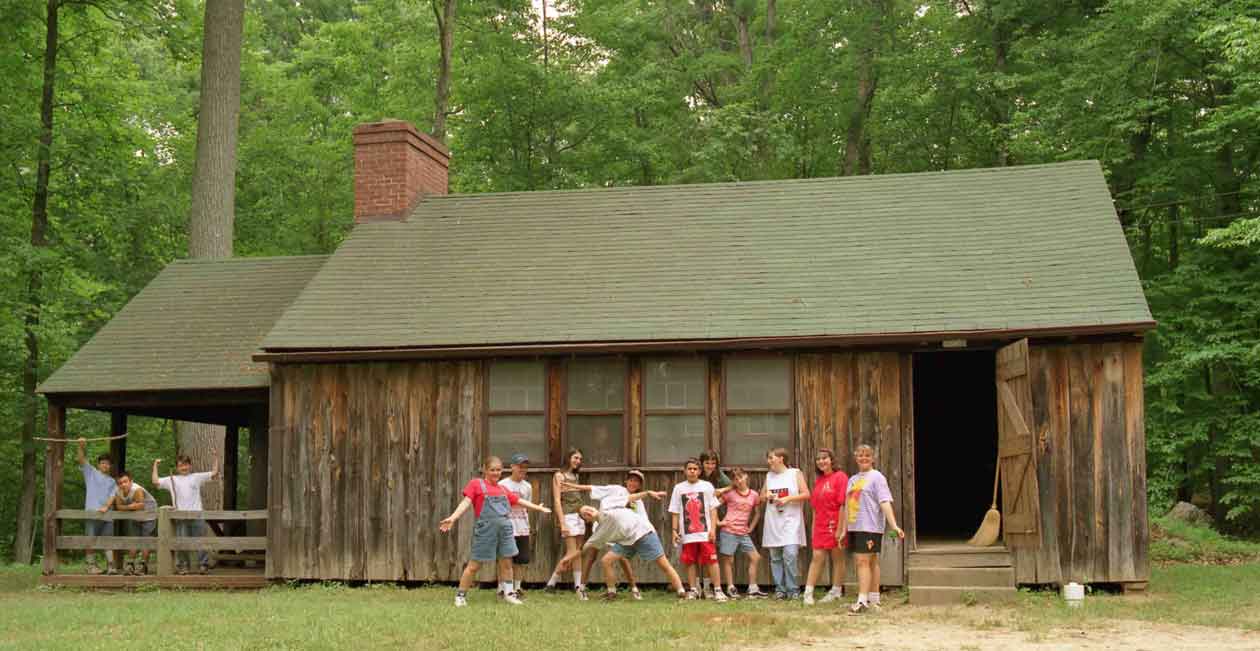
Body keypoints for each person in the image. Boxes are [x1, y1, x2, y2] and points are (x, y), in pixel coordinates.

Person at [439, 456, 552, 607]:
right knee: (474, 565)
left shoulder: (502, 489)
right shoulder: (476, 484)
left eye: (498, 470)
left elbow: (518, 501)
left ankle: (509, 594)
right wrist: (453, 518)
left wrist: (537, 508)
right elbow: (466, 503)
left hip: (505, 529)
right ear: (485, 470)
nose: (496, 473)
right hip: (486, 530)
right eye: (492, 470)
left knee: (506, 563)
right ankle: (460, 596)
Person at [562, 469, 664, 601]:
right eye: (631, 480)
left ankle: (634, 589)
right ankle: (581, 588)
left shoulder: (638, 501)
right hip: (602, 528)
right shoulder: (616, 490)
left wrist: (651, 533)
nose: (633, 483)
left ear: (640, 485)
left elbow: (643, 520)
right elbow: (592, 488)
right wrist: (572, 487)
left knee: (623, 559)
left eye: (637, 482)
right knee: (590, 556)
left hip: (620, 533)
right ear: (626, 481)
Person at [839, 444, 904, 615]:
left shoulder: (877, 477)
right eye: (860, 455)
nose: (863, 458)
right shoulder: (852, 480)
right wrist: (844, 530)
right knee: (871, 561)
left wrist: (894, 525)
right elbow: (847, 506)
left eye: (867, 455)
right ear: (856, 458)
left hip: (870, 526)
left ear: (873, 458)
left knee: (862, 562)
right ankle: (874, 600)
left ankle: (862, 601)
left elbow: (884, 501)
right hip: (855, 526)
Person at [578, 505, 689, 601]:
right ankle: (612, 593)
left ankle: (681, 592)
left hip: (643, 533)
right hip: (627, 540)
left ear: (593, 507)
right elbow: (586, 546)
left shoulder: (606, 512)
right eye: (585, 514)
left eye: (588, 509)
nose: (588, 512)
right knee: (606, 560)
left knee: (663, 564)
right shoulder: (598, 529)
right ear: (587, 520)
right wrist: (568, 558)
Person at [668, 458, 727, 602]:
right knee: (690, 561)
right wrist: (674, 530)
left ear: (699, 471)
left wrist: (713, 529)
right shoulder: (678, 488)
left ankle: (717, 590)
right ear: (685, 470)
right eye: (689, 468)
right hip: (687, 533)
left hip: (705, 532)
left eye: (695, 469)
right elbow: (675, 511)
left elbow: (713, 509)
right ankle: (693, 590)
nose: (692, 471)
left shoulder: (707, 486)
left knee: (711, 560)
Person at [152, 454, 218, 575]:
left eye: (186, 464)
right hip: (180, 516)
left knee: (200, 541)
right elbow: (155, 482)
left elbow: (214, 473)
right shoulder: (172, 479)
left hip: (196, 514)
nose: (184, 467)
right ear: (177, 467)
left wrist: (215, 458)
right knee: (181, 542)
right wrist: (155, 465)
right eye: (181, 465)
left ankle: (203, 565)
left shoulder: (196, 477)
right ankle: (183, 567)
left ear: (190, 465)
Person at [760, 447, 809, 600]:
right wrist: (766, 495)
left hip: (791, 520)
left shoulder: (795, 473)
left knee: (790, 554)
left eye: (771, 458)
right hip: (773, 521)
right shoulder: (769, 476)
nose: (769, 461)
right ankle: (780, 589)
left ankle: (793, 589)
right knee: (775, 557)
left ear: (781, 458)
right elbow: (761, 497)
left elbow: (806, 494)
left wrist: (787, 499)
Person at [803, 448, 849, 605]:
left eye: (825, 458)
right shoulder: (819, 480)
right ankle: (808, 593)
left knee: (837, 558)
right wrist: (813, 528)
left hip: (836, 522)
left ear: (831, 460)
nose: (821, 461)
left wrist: (841, 528)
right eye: (818, 459)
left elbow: (843, 504)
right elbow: (815, 507)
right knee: (817, 557)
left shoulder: (840, 477)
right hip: (820, 524)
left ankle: (836, 591)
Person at [544, 448, 590, 599]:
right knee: (572, 552)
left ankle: (578, 587)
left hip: (579, 515)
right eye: (575, 458)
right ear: (568, 458)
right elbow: (557, 500)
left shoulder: (575, 476)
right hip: (568, 515)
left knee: (578, 553)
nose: (578, 461)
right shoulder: (559, 475)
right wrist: (562, 522)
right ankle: (552, 582)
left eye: (580, 459)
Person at [716, 467, 765, 599]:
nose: (739, 480)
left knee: (755, 557)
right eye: (735, 479)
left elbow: (757, 513)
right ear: (733, 481)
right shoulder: (730, 493)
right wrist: (718, 522)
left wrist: (751, 527)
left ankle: (753, 588)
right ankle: (731, 587)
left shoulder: (754, 495)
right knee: (728, 560)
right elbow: (713, 505)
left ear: (746, 476)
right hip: (729, 531)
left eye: (740, 477)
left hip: (743, 532)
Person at [98, 471, 157, 575]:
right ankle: (130, 564)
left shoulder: (137, 489)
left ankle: (143, 566)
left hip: (149, 515)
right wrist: (132, 506)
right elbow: (119, 507)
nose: (123, 484)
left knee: (145, 540)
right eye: (120, 483)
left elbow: (141, 505)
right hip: (135, 516)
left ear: (131, 481)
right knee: (133, 539)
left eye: (125, 482)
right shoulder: (118, 492)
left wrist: (130, 507)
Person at [76, 438, 117, 575]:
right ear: (99, 464)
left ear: (110, 466)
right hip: (92, 513)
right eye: (103, 463)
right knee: (90, 539)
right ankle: (91, 566)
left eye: (108, 464)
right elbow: (81, 460)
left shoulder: (112, 481)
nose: (105, 465)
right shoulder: (91, 473)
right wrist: (81, 446)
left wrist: (106, 507)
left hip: (107, 515)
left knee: (108, 541)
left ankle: (111, 566)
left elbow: (113, 496)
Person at [497, 453, 535, 599]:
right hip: (507, 525)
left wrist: (528, 525)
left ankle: (517, 588)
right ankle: (501, 588)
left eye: (525, 466)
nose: (523, 469)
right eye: (520, 466)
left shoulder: (527, 486)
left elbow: (528, 506)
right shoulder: (503, 484)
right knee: (505, 558)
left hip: (522, 526)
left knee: (521, 559)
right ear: (512, 467)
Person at [698, 449, 731, 596]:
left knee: (711, 551)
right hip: (697, 516)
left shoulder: (720, 476)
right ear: (702, 463)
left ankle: (709, 585)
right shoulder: (697, 474)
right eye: (707, 463)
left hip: (714, 516)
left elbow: (732, 487)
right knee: (698, 552)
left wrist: (719, 494)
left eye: (713, 463)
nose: (710, 466)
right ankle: (698, 586)